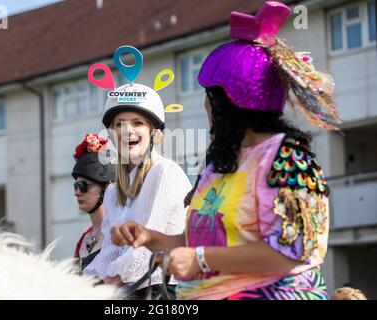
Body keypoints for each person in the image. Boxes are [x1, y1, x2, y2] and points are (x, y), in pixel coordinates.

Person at [110, 1, 341, 300]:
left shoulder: (288, 159)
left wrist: (201, 260)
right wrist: (150, 238)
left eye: (210, 97)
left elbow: (292, 251)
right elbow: (205, 240)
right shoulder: (220, 164)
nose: (206, 106)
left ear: (229, 103)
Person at [83, 51, 192, 299]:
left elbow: (143, 249)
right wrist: (82, 282)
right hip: (126, 291)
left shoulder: (165, 172)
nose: (127, 130)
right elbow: (109, 251)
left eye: (137, 122)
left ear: (153, 130)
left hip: (162, 291)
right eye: (119, 124)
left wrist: (106, 284)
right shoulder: (113, 192)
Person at [72, 133, 115, 274]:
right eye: (76, 185)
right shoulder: (83, 240)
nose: (77, 192)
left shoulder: (119, 234)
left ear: (107, 187)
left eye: (84, 185)